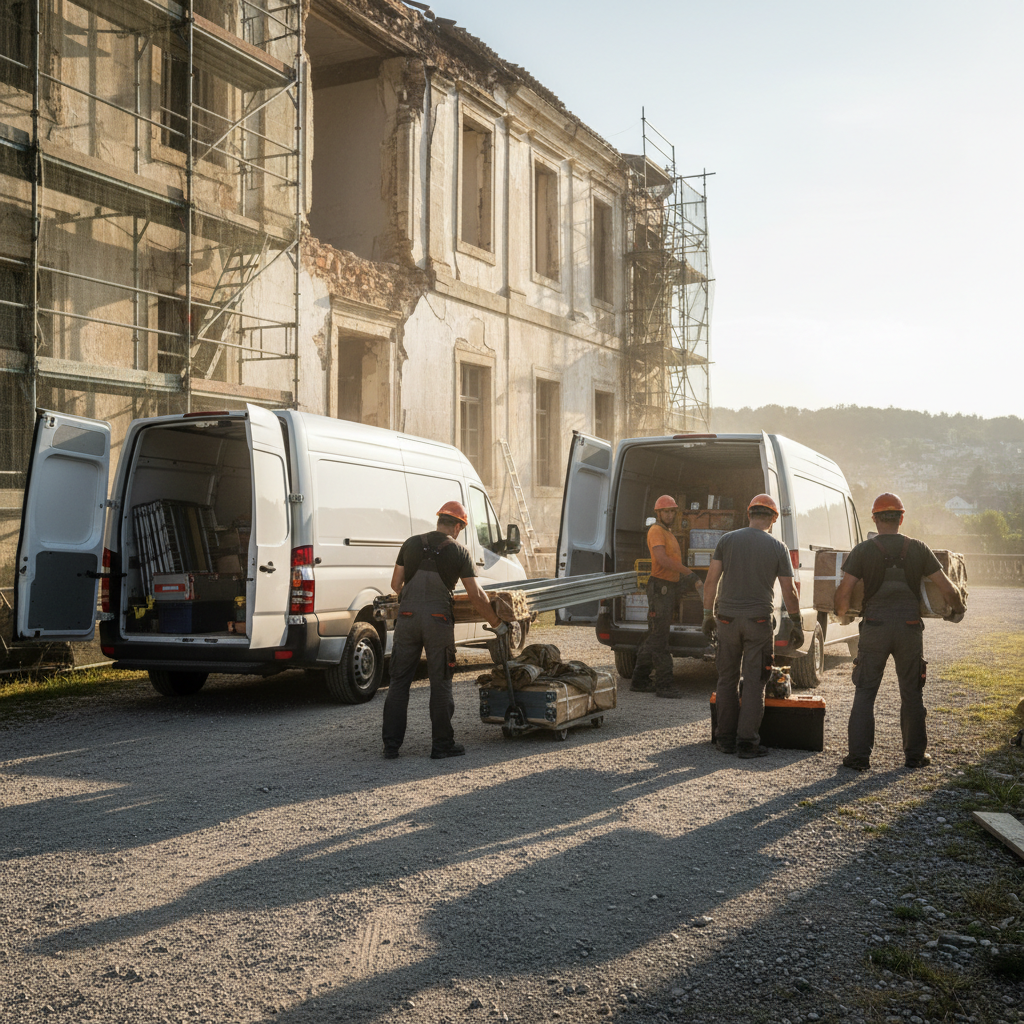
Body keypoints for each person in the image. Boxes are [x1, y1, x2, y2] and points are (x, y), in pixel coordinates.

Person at [835, 492, 965, 771]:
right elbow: (948, 589)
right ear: (901, 519)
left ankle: (859, 758)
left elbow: (843, 594)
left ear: (874, 518)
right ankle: (915, 756)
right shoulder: (918, 548)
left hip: (874, 627)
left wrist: (841, 614)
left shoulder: (863, 550)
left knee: (865, 692)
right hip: (909, 628)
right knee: (912, 693)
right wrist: (958, 610)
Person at [382, 500, 505, 760]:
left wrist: (413, 605)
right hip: (437, 621)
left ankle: (391, 746)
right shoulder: (459, 551)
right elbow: (476, 595)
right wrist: (497, 623)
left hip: (406, 619)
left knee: (399, 682)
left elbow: (395, 584)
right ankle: (442, 745)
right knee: (440, 683)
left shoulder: (410, 543)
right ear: (458, 526)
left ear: (439, 520)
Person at [702, 494, 802, 758]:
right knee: (756, 682)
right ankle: (747, 743)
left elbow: (711, 581)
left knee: (726, 679)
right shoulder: (778, 546)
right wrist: (796, 621)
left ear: (749, 515)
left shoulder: (727, 540)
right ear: (773, 519)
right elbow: (789, 590)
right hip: (758, 622)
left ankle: (724, 740)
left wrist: (706, 615)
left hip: (726, 620)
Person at [630, 495, 703, 698]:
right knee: (660, 639)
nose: (670, 514)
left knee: (655, 635)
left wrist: (682, 580)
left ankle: (639, 680)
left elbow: (670, 564)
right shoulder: (655, 531)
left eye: (672, 511)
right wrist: (688, 573)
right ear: (658, 513)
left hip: (667, 588)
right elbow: (661, 560)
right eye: (666, 511)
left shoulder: (668, 532)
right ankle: (664, 685)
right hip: (659, 589)